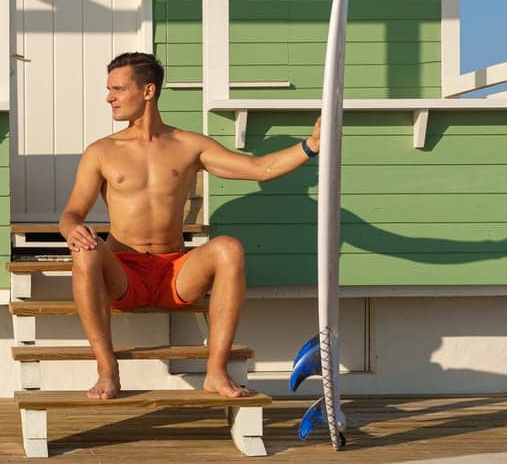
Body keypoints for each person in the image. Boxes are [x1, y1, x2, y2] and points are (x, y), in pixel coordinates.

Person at [58, 51, 322, 400]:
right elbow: (72, 212)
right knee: (87, 252)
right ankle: (107, 369)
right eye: (109, 89)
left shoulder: (189, 145)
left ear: (148, 91)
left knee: (228, 247)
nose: (109, 97)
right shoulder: (101, 152)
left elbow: (258, 169)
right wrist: (71, 229)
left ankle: (215, 372)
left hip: (174, 271)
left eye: (118, 89)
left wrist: (312, 146)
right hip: (124, 272)